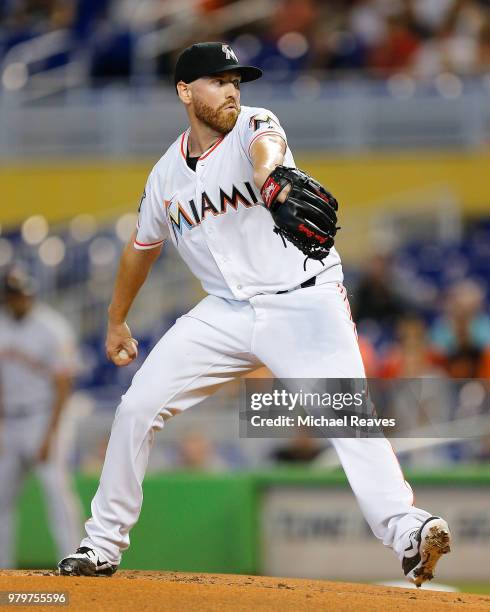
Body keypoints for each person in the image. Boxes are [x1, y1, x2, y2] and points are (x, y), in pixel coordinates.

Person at [58, 41, 451, 585]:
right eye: (219, 80)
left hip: (302, 298)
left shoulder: (253, 124)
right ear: (185, 91)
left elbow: (268, 149)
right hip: (225, 311)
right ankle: (101, 545)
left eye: (235, 80)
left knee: (347, 417)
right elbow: (140, 248)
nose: (231, 89)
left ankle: (410, 529)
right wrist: (116, 319)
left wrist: (270, 179)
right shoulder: (164, 177)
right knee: (136, 407)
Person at [0, 266, 82, 568]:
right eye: (14, 295)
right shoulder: (2, 324)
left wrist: (51, 435)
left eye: (23, 294)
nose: (20, 300)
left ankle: (74, 561)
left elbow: (64, 385)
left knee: (56, 491)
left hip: (44, 416)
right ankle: (2, 572)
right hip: (9, 421)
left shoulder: (52, 327)